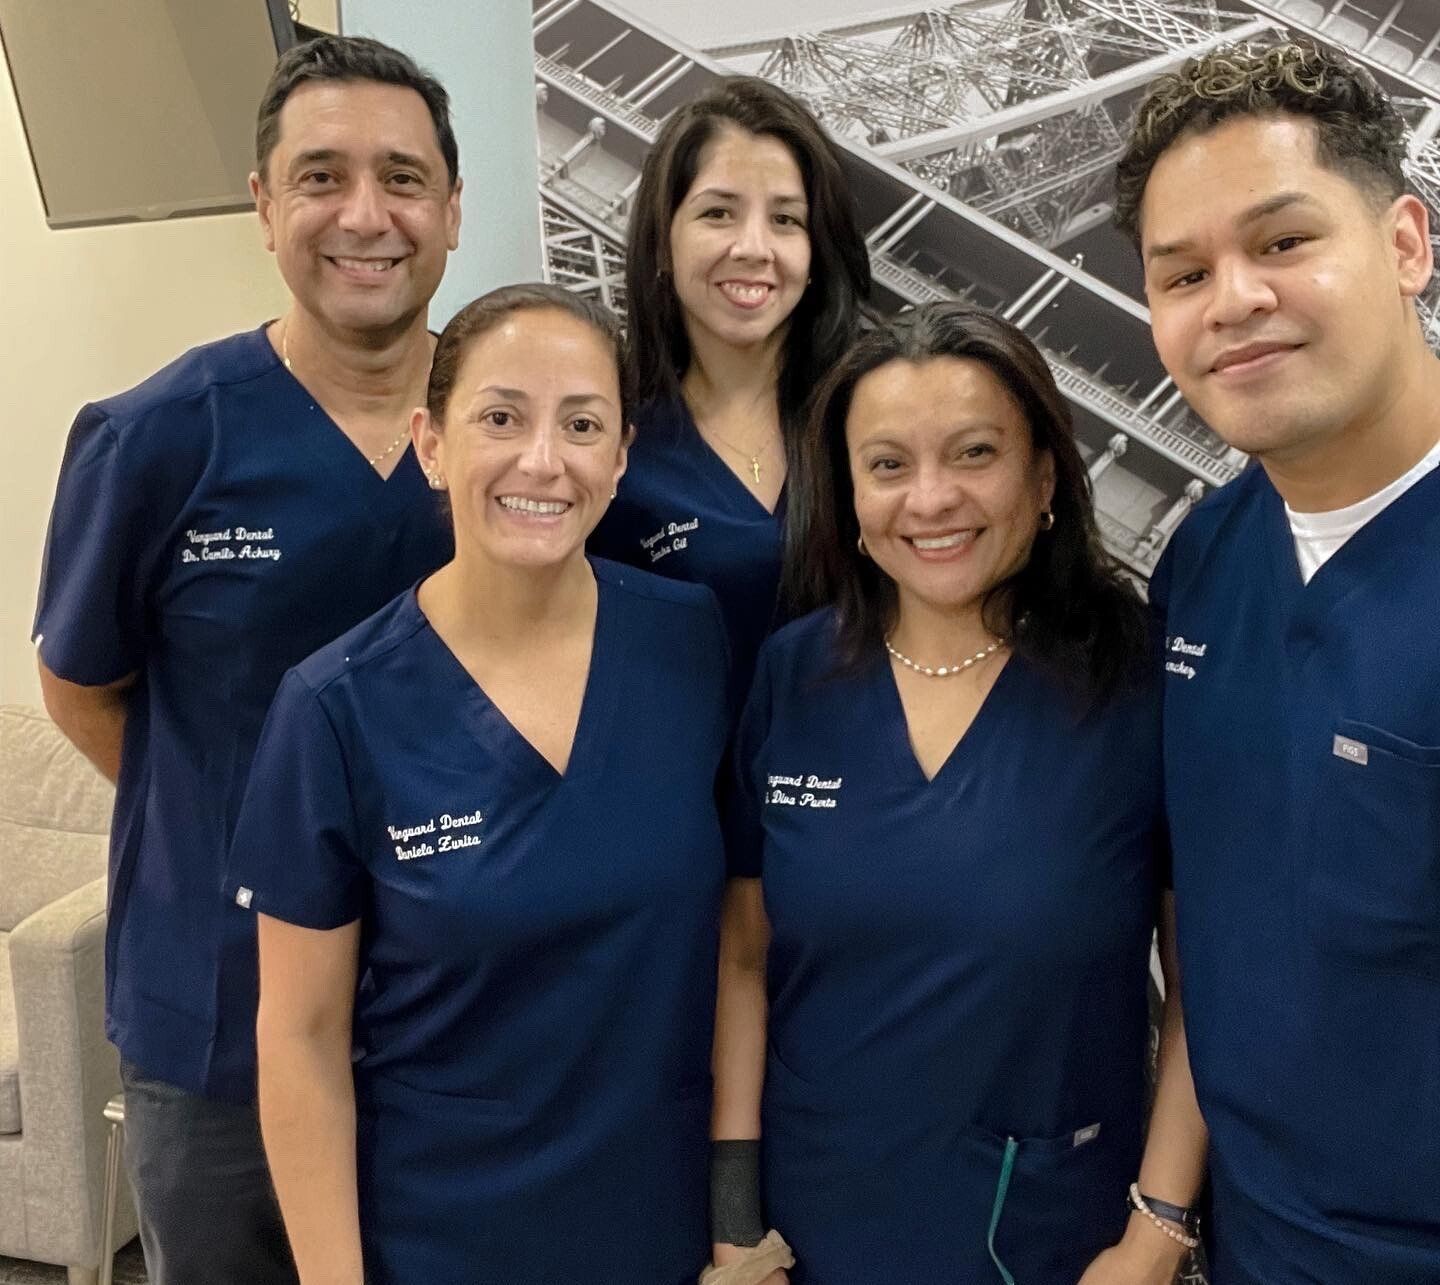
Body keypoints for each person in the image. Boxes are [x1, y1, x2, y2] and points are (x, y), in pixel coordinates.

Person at [31, 35, 460, 1284]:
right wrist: (251, 830)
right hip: (216, 1026)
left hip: (457, 1024)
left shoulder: (507, 440)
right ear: (264, 205)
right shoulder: (159, 437)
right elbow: (80, 686)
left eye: (403, 177)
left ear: (450, 209)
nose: (366, 215)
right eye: (321, 176)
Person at [224, 285, 731, 1285]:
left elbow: (739, 944)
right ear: (432, 443)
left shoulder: (691, 640)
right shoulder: (336, 707)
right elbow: (300, 1038)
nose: (542, 459)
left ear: (620, 456)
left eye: (581, 423)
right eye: (501, 416)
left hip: (657, 1233)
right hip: (445, 1240)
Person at [712, 303, 1209, 1284]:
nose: (930, 498)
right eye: (888, 464)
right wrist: (735, 1216)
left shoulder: (1138, 687)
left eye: (974, 452)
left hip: (1050, 1235)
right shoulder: (793, 678)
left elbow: (1206, 985)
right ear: (847, 496)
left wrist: (1157, 1230)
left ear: (1045, 477)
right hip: (814, 1229)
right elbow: (743, 956)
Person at [1115, 40, 1440, 1283]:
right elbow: (1217, 920)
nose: (1233, 299)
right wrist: (1164, 1216)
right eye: (1182, 272)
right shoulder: (1204, 560)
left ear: (1406, 244)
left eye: (1284, 242)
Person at [589, 75, 871, 690]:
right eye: (718, 213)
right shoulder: (608, 439)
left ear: (817, 251)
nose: (753, 247)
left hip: (877, 780)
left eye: (786, 220)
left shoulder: (872, 419)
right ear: (663, 238)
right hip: (683, 782)